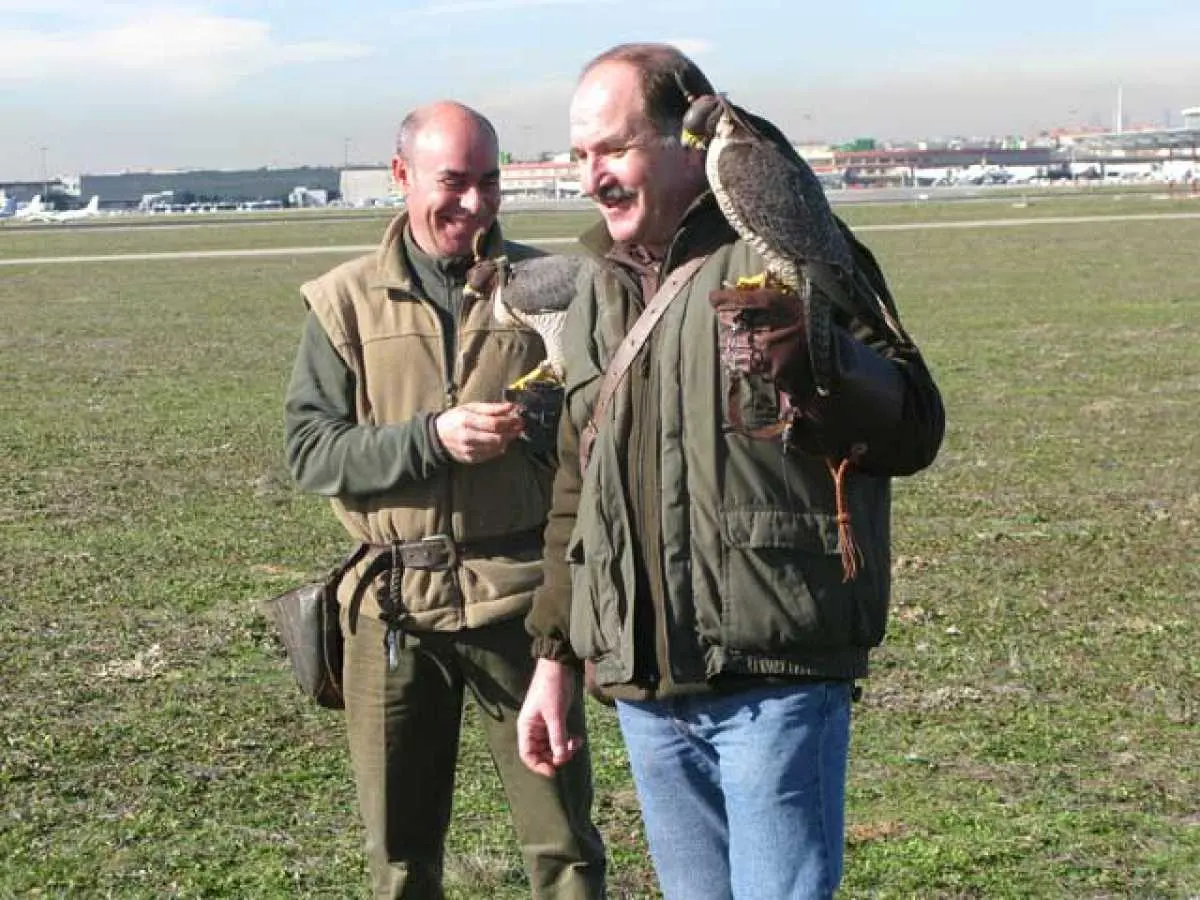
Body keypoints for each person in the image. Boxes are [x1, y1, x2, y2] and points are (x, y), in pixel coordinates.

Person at [516, 44, 945, 900]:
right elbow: (579, 487)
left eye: (613, 149)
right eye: (580, 156)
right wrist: (555, 655)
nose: (592, 177)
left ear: (686, 139)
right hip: (645, 685)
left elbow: (916, 426)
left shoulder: (778, 225)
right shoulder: (595, 286)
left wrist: (823, 365)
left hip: (771, 676)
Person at [284, 101, 605, 900]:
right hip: (391, 610)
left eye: (489, 182)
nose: (474, 202)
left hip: (524, 606)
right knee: (400, 859)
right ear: (401, 177)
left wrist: (539, 425)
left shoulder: (552, 286)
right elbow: (311, 453)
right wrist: (432, 437)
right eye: (452, 182)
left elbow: (597, 434)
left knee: (564, 847)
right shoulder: (343, 302)